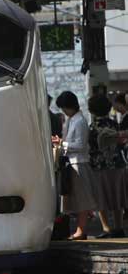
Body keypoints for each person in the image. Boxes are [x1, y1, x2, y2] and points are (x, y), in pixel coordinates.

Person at [53, 91, 98, 240]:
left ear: (70, 106)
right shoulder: (73, 120)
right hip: (73, 163)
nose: (63, 111)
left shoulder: (79, 121)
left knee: (82, 200)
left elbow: (80, 145)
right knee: (78, 199)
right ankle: (80, 229)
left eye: (64, 107)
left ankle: (81, 230)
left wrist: (62, 143)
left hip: (79, 163)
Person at [87, 94, 126, 238]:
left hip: (100, 166)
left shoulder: (93, 127)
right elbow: (121, 144)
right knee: (117, 196)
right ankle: (119, 227)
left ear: (92, 110)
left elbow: (90, 147)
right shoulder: (114, 124)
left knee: (101, 197)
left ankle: (106, 228)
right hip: (117, 164)